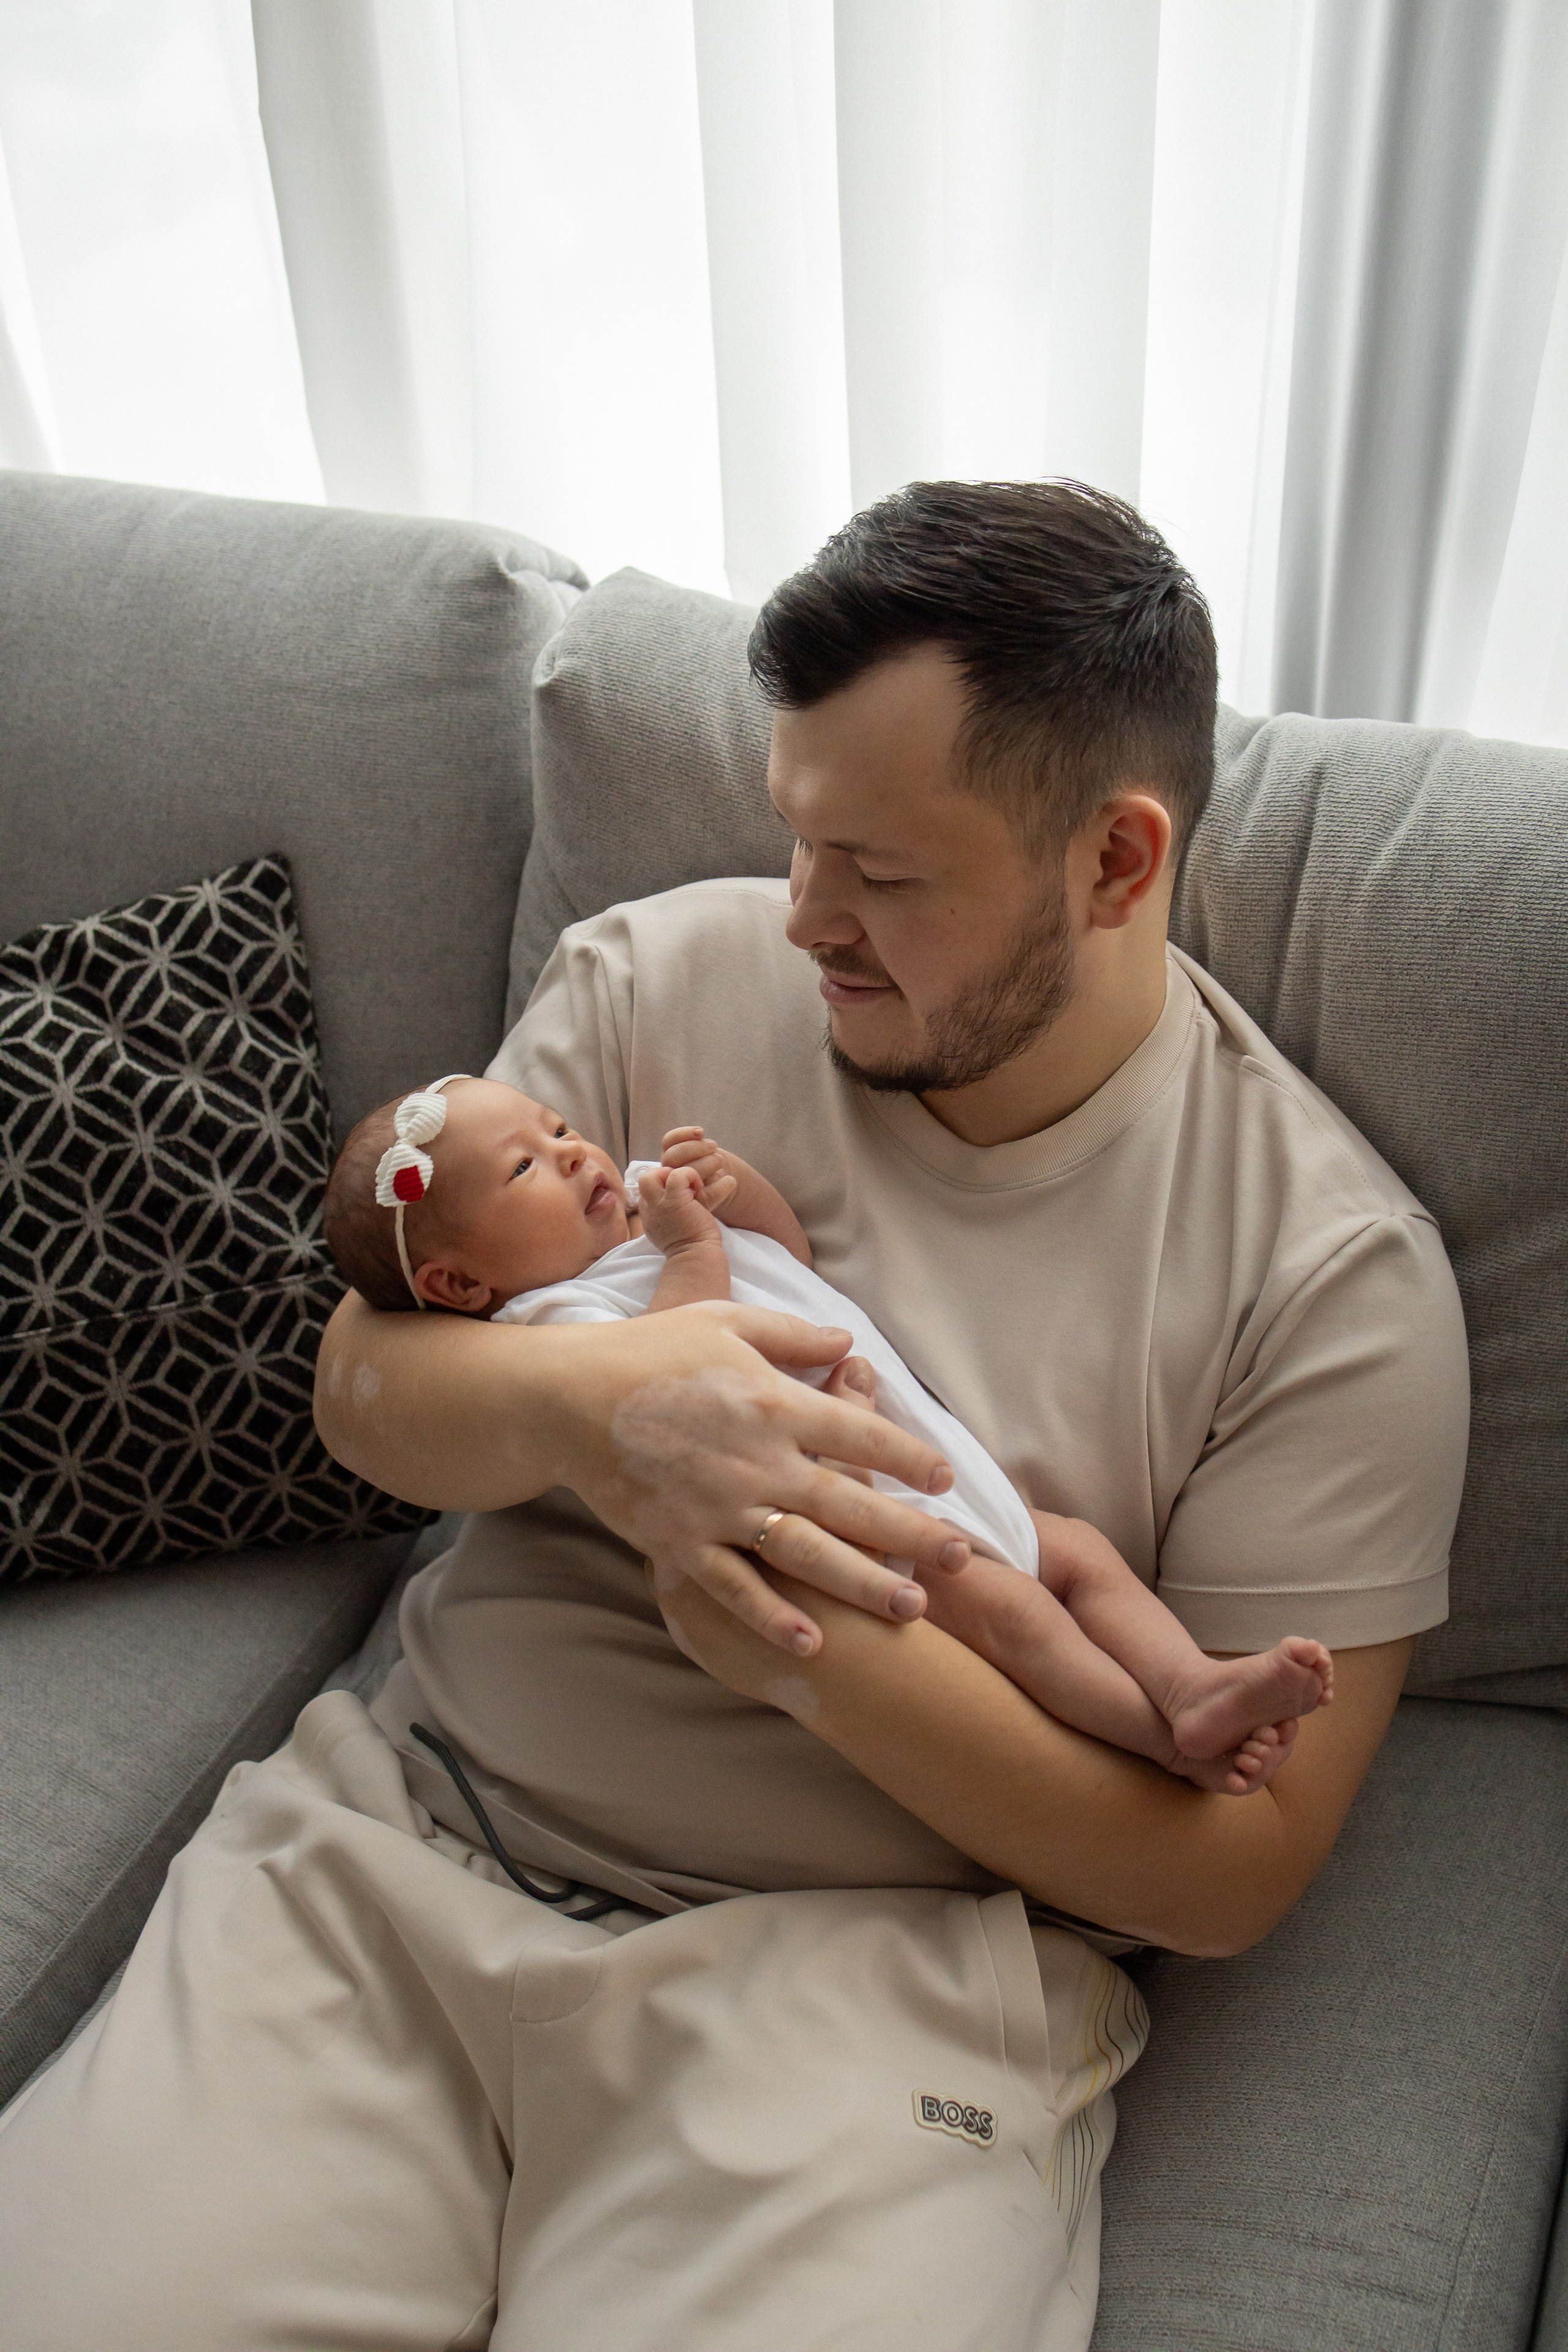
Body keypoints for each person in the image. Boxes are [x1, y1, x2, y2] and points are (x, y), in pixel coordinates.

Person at [0, 482, 1469, 2352]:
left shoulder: (1329, 1285)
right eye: (795, 837)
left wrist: (800, 1648)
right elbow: (367, 1387)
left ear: (1114, 862)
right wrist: (608, 1418)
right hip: (399, 1859)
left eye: (882, 873)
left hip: (864, 2006)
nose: (803, 920)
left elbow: (1234, 1873)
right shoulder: (649, 980)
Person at [324, 1074, 1333, 1795]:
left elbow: (788, 1260)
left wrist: (735, 1191)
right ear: (462, 1284)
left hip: (935, 1465)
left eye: (557, 1129)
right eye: (525, 1169)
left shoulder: (640, 1210)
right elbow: (674, 1371)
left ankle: (1189, 1680)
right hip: (856, 1519)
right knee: (1018, 1616)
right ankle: (1163, 1742)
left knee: (1078, 1553)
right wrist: (694, 1246)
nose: (573, 1153)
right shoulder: (554, 1321)